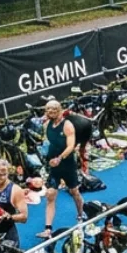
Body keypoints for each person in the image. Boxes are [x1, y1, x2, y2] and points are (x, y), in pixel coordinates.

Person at [39, 101, 84, 235]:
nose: (49, 113)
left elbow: (71, 146)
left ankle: (81, 214)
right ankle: (48, 228)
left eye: (52, 110)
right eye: (47, 110)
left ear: (58, 110)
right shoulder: (47, 124)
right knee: (50, 194)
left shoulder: (67, 125)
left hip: (67, 164)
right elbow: (47, 141)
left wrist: (60, 158)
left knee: (74, 192)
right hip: (53, 165)